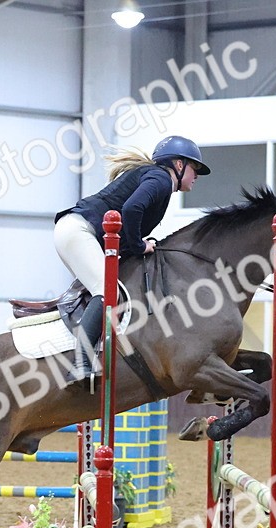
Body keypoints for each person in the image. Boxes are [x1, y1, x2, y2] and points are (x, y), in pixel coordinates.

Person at [53, 135, 210, 384]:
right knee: (108, 292)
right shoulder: (160, 179)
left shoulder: (158, 180)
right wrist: (139, 246)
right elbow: (131, 209)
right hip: (78, 231)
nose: (197, 176)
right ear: (179, 165)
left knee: (111, 289)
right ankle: (80, 363)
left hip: (78, 231)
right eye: (195, 168)